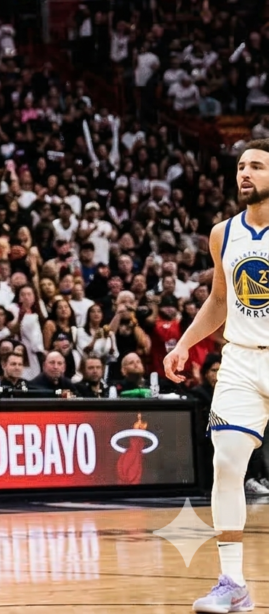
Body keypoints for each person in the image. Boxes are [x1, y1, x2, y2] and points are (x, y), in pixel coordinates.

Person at [163, 140, 269, 613]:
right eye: (242, 166)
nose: (245, 173)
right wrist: (184, 343)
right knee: (226, 465)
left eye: (258, 166)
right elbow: (220, 302)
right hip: (242, 359)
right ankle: (234, 585)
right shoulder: (222, 234)